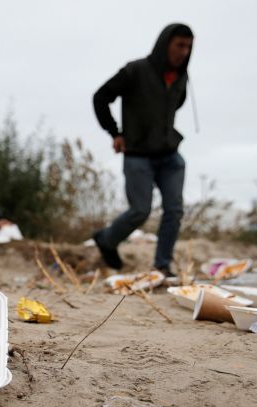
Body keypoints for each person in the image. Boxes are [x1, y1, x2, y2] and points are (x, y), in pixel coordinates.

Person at [92, 23, 194, 277]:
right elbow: (101, 97)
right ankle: (106, 239)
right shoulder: (136, 70)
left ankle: (162, 266)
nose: (184, 51)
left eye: (189, 46)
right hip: (138, 155)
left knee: (174, 210)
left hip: (170, 155)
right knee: (140, 211)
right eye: (179, 45)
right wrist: (115, 132)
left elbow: (174, 105)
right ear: (165, 44)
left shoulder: (182, 77)